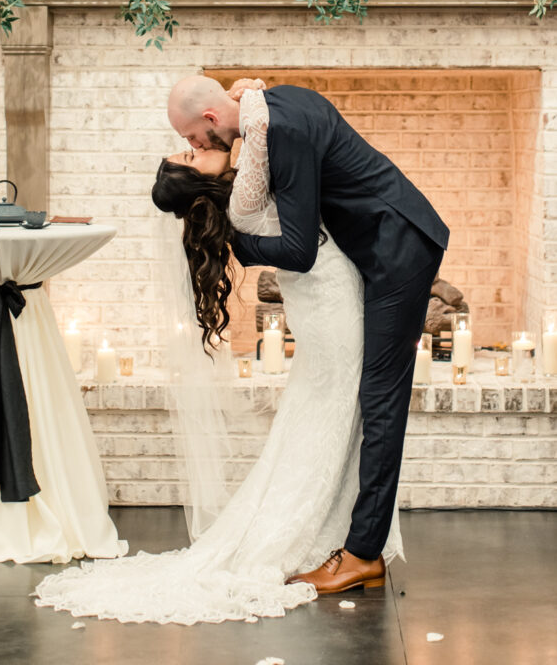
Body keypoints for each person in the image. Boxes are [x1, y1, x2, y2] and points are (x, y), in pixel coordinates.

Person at [34, 79, 402, 625]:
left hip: (328, 297)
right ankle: (332, 539)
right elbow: (262, 158)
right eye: (189, 152)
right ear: (195, 181)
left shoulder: (241, 175)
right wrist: (249, 100)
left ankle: (346, 536)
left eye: (191, 140)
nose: (197, 147)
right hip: (329, 300)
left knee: (328, 410)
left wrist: (250, 93)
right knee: (332, 409)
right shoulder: (241, 199)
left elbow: (254, 129)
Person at [166, 75, 448, 595]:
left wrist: (234, 244)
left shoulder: (281, 130)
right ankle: (354, 536)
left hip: (397, 251)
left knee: (380, 400)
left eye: (192, 140)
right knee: (368, 400)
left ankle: (362, 554)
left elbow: (298, 252)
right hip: (383, 242)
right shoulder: (271, 105)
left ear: (210, 119)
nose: (192, 149)